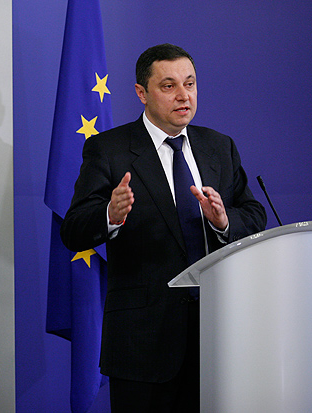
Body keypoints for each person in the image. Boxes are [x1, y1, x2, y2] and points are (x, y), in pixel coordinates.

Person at [60, 44, 266, 411]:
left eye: (190, 83)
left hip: (217, 339)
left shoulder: (219, 147)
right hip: (143, 343)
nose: (184, 95)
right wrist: (110, 214)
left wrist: (223, 221)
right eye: (169, 86)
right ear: (142, 93)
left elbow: (253, 214)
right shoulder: (109, 149)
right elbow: (73, 230)